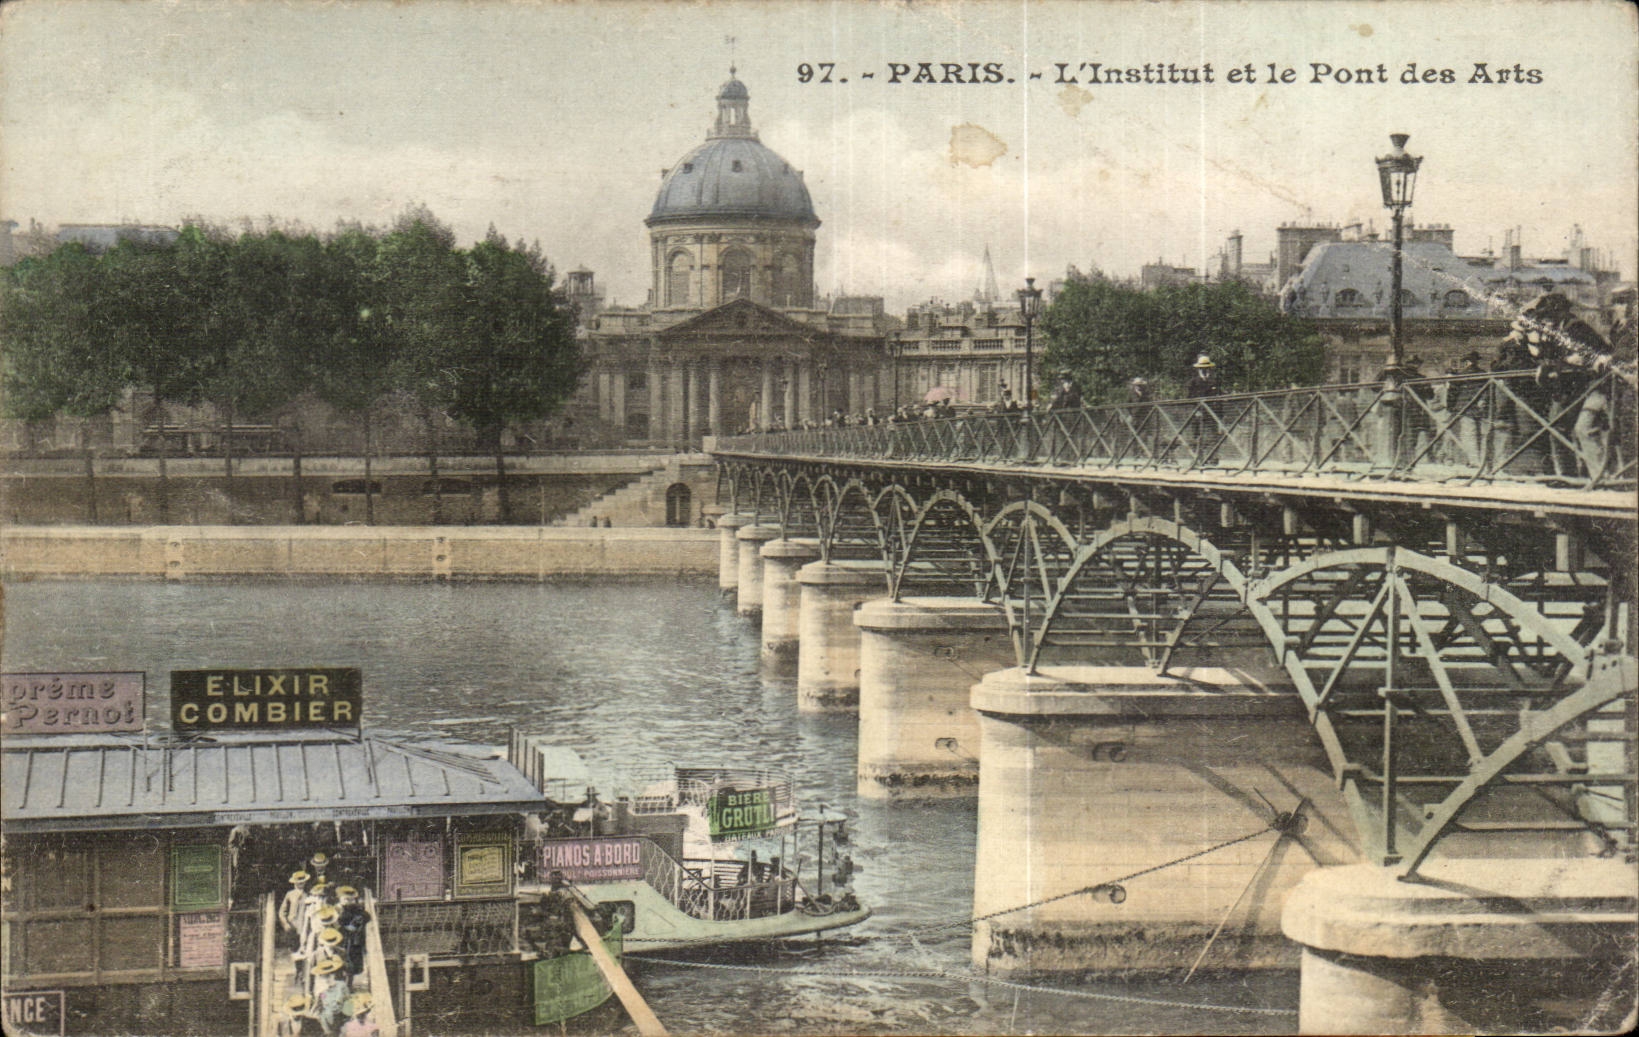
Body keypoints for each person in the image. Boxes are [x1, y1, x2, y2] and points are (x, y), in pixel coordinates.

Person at [1186, 354, 1221, 464]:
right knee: (1197, 436)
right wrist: (1195, 411)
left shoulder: (1214, 382)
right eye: (1202, 368)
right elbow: (1189, 399)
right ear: (1198, 369)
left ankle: (1212, 458)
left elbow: (1219, 398)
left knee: (1213, 435)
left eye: (1207, 368)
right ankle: (1197, 459)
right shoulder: (1192, 383)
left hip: (1211, 413)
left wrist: (1220, 414)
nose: (1205, 371)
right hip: (1197, 414)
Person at [337, 887, 371, 983]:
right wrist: (345, 927)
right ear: (340, 898)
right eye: (346, 899)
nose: (348, 901)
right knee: (340, 960)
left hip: (352, 940)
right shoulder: (337, 909)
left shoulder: (356, 909)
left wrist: (358, 921)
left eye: (351, 899)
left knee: (351, 961)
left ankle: (349, 983)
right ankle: (341, 982)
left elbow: (367, 917)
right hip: (340, 938)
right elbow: (336, 923)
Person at [279, 871, 311, 950]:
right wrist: (285, 923)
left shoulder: (308, 895)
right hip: (292, 927)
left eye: (302, 882)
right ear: (294, 882)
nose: (300, 883)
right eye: (298, 882)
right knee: (292, 951)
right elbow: (282, 912)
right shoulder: (290, 894)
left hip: (304, 927)